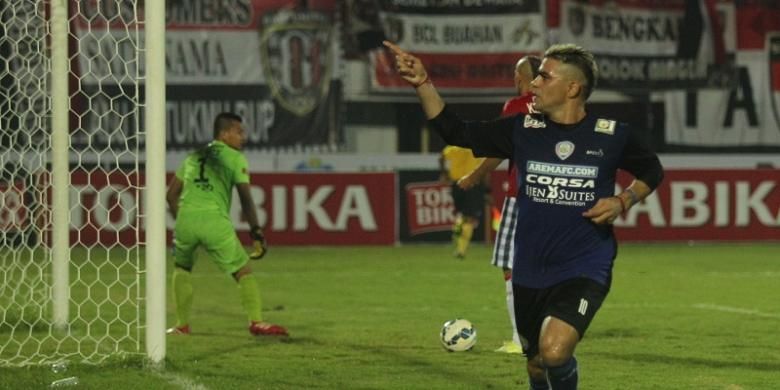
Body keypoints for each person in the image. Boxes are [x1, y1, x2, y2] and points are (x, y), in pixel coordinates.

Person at [384, 41, 664, 389]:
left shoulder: (612, 136)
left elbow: (651, 169)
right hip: (530, 268)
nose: (533, 83)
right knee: (535, 365)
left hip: (584, 264)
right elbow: (456, 131)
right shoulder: (521, 130)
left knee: (555, 351)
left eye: (544, 77)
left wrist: (623, 200)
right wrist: (423, 83)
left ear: (572, 88)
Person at [166, 112, 288, 337]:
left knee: (182, 269)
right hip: (214, 221)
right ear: (224, 134)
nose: (243, 136)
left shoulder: (194, 156)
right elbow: (245, 198)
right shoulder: (234, 157)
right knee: (243, 271)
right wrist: (256, 231)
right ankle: (256, 322)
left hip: (185, 220)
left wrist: (184, 219)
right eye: (238, 132)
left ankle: (181, 325)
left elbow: (171, 195)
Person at [458, 55, 541, 355]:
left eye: (518, 75)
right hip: (555, 199)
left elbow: (498, 148)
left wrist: (476, 174)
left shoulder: (515, 107)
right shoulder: (559, 109)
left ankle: (521, 341)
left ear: (528, 79)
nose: (514, 81)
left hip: (521, 197)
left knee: (510, 266)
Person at [439, 145, 487, 259]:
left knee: (461, 214)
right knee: (470, 217)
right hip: (472, 183)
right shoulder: (478, 145)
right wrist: (487, 190)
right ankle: (461, 250)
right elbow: (485, 167)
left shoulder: (455, 146)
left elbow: (441, 157)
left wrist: (444, 173)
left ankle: (457, 228)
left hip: (457, 184)